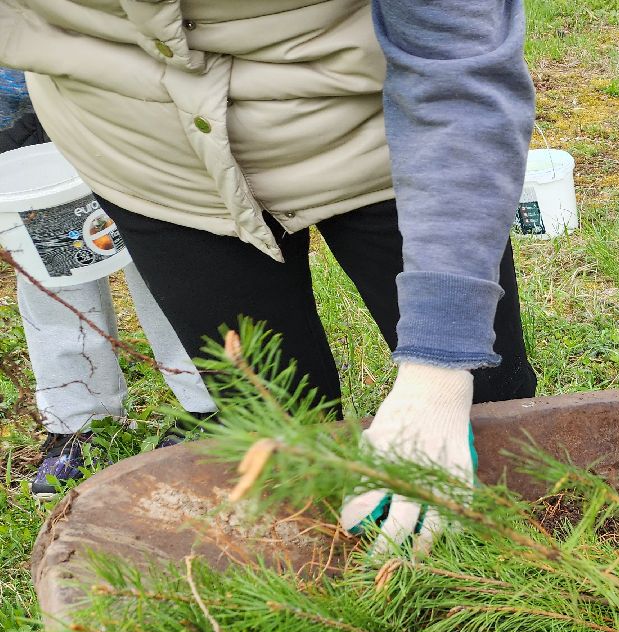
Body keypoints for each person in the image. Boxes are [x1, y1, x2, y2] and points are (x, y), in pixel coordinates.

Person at [0, 0, 532, 533]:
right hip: (150, 156)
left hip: (374, 132)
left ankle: (497, 555)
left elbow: (456, 67)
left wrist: (439, 365)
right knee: (278, 434)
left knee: (483, 403)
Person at [3, 67, 218, 498]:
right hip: (14, 120)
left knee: (159, 246)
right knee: (51, 267)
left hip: (110, 92)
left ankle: (209, 405)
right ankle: (82, 423)